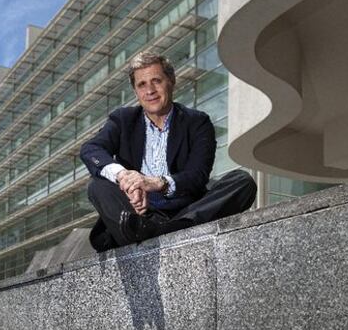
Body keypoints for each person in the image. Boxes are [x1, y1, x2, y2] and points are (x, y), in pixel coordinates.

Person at [80, 52, 257, 251]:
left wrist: (157, 183)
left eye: (156, 81)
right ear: (135, 91)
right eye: (142, 84)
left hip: (185, 210)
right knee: (97, 186)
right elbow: (91, 149)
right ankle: (154, 230)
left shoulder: (197, 122)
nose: (150, 90)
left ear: (171, 81)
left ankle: (165, 230)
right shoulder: (123, 119)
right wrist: (124, 177)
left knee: (242, 182)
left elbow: (197, 175)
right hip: (136, 214)